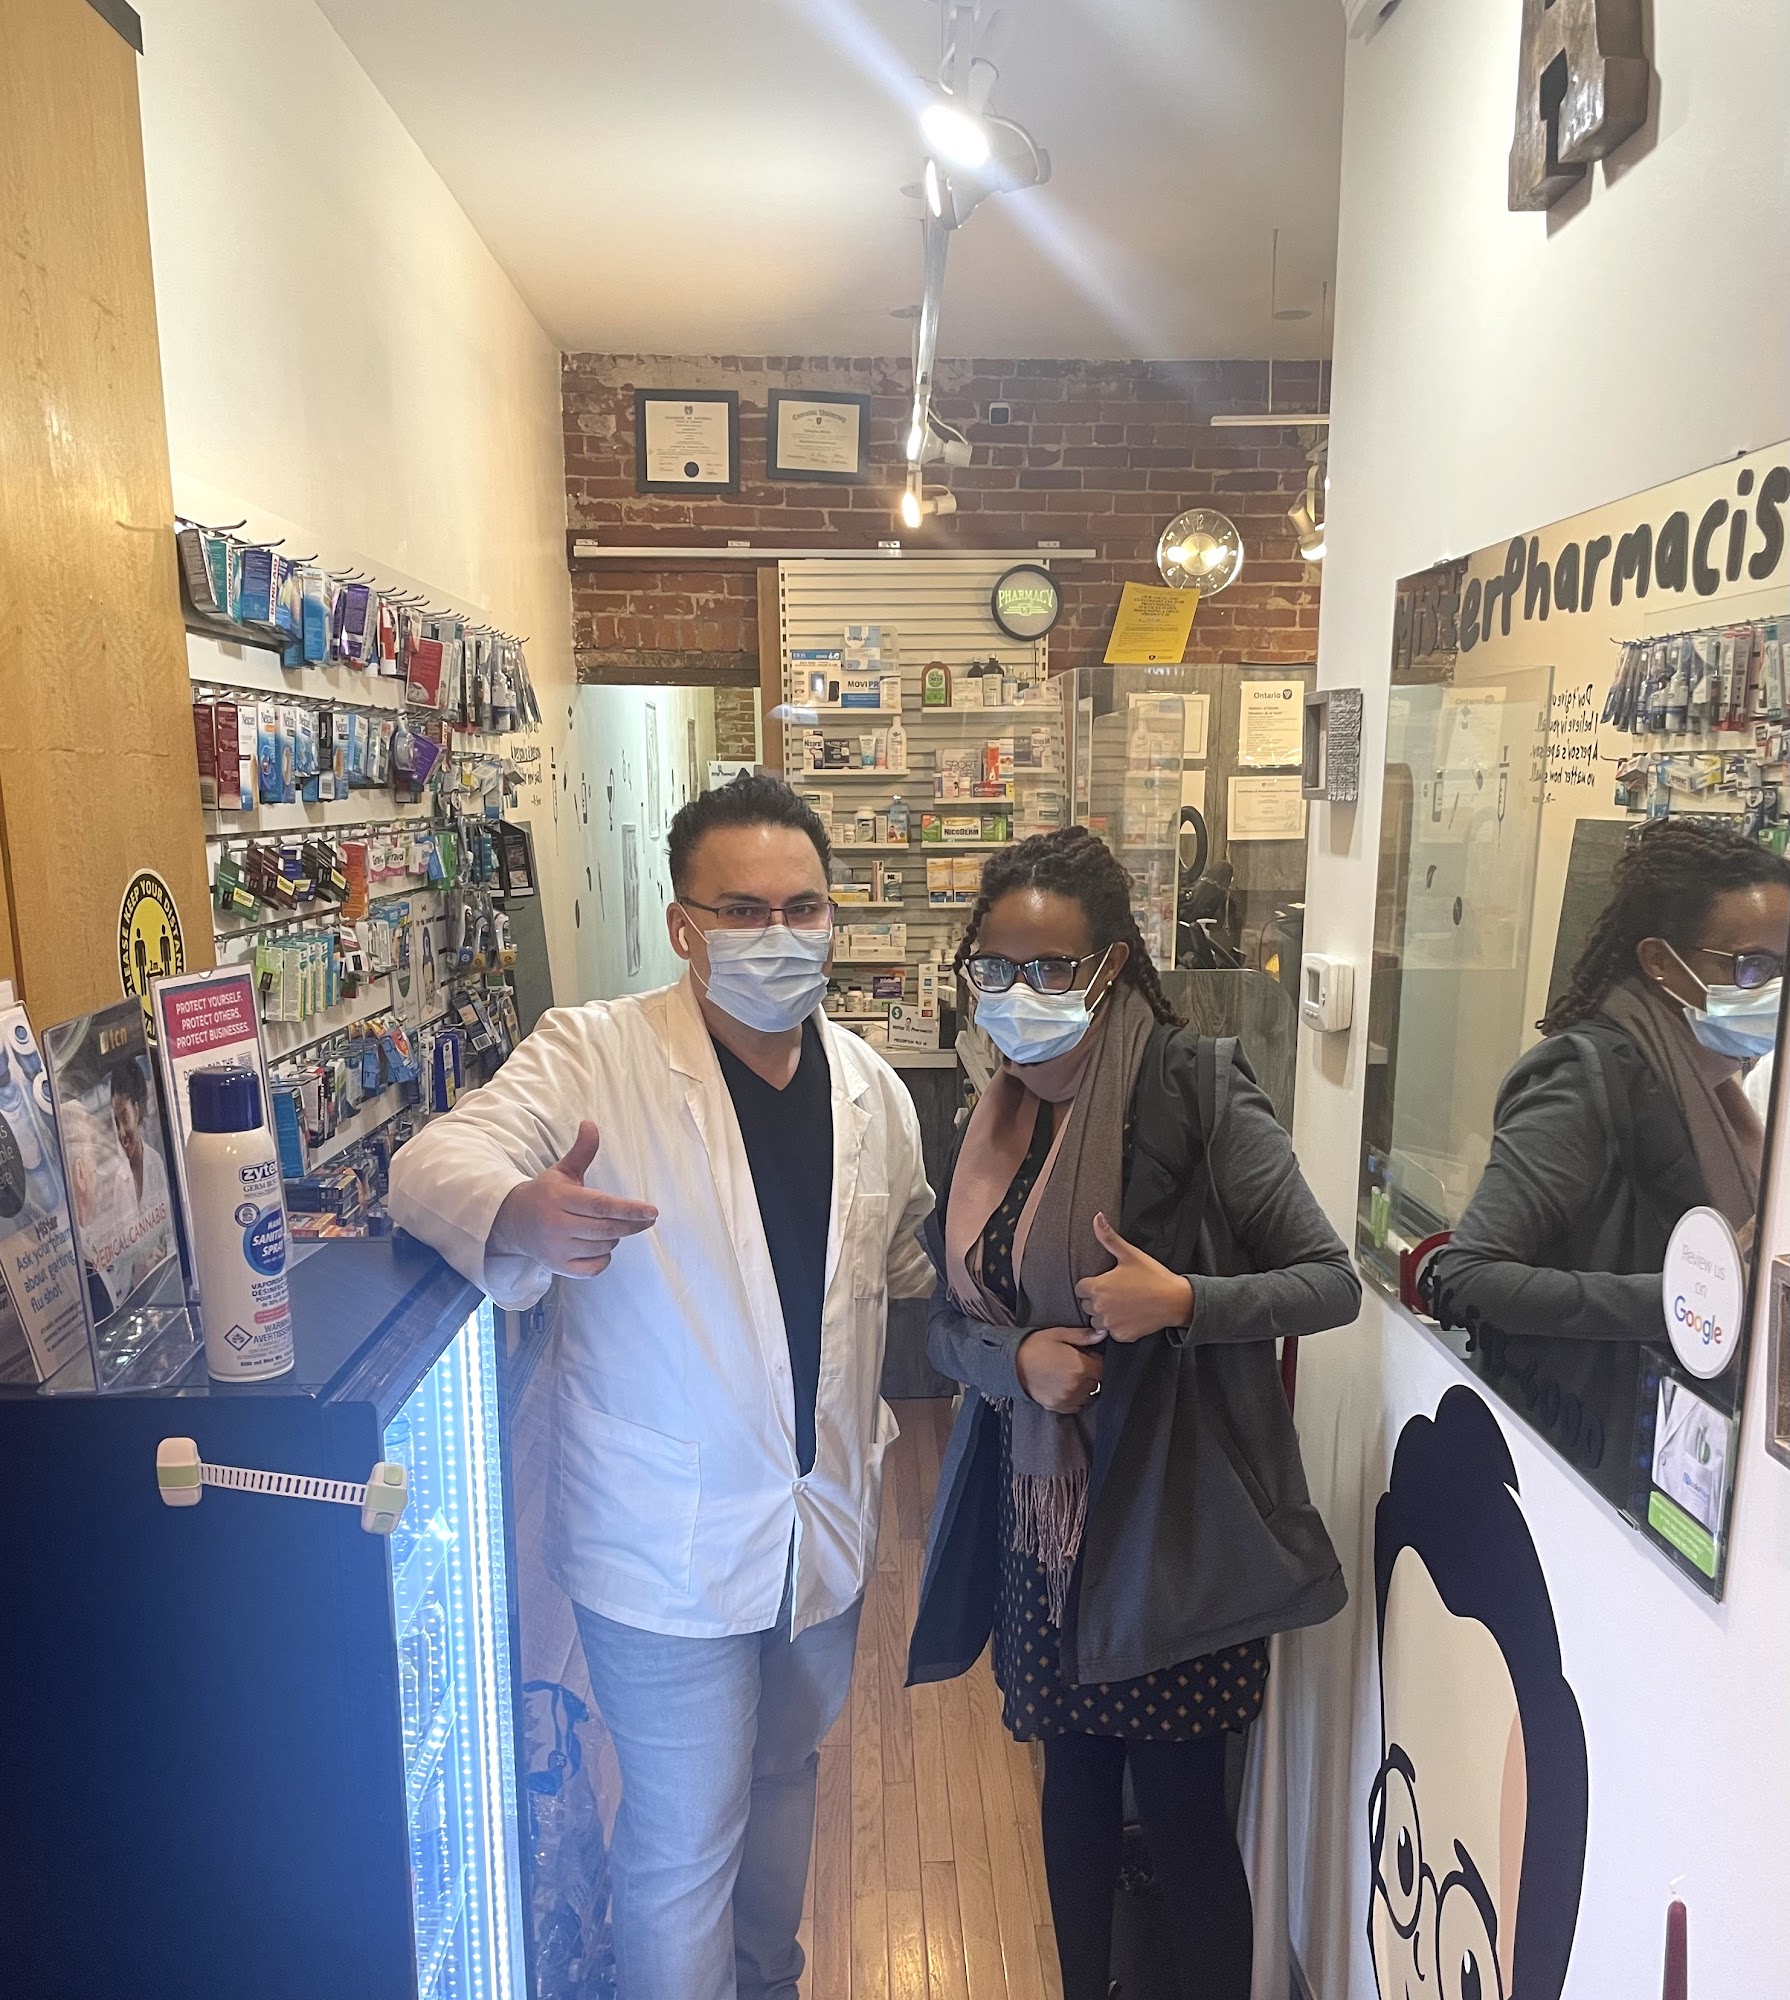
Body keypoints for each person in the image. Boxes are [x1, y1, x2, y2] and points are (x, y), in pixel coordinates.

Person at [389, 774, 934, 2000]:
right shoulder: (593, 1053)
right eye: (741, 910)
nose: (777, 935)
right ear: (683, 924)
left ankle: (766, 1979)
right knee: (684, 1842)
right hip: (661, 1540)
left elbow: (896, 1254)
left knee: (785, 1777)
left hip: (818, 1528)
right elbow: (429, 1165)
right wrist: (520, 1209)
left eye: (802, 907)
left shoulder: (872, 1087)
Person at [905, 828, 1358, 2000]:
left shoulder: (1192, 1086)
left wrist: (1183, 1300)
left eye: (1051, 968)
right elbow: (944, 1326)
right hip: (1042, 1524)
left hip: (1168, 1524)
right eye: (995, 967)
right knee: (1069, 1785)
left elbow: (1327, 1281)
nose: (1020, 994)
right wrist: (1017, 1360)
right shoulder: (992, 1119)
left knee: (1178, 1811)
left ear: (1110, 965)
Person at [1432, 819, 1790, 1359]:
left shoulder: (1715, 1080)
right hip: (1588, 1404)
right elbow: (1467, 1279)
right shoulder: (1581, 1080)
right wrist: (1688, 1299)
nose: (1776, 989)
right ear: (1660, 962)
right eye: (1753, 966)